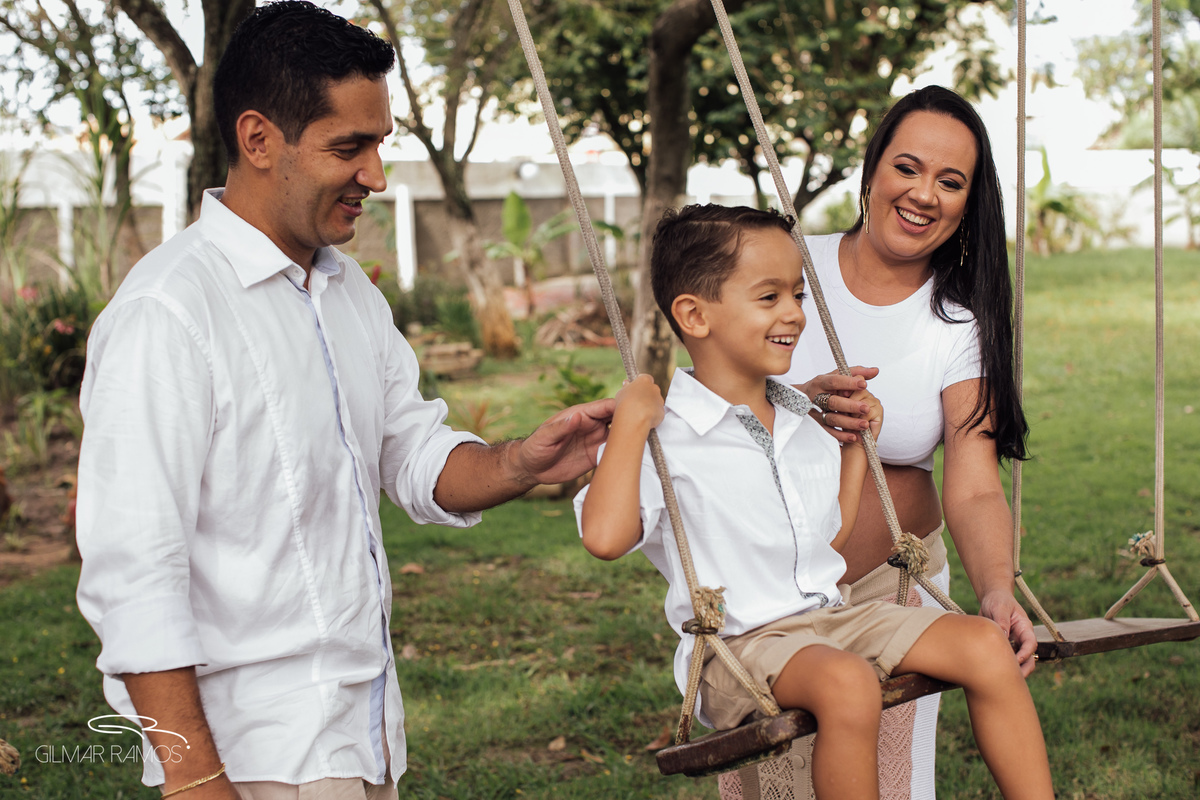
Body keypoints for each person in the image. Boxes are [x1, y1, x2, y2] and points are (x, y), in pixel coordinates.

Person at [74, 4, 613, 799]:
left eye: (379, 145)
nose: (376, 176)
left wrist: (519, 463)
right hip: (256, 757)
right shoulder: (168, 312)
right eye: (348, 147)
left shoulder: (347, 289)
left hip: (362, 736)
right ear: (259, 140)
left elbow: (411, 451)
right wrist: (195, 778)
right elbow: (135, 571)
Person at [574, 204, 1053, 800]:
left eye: (798, 294)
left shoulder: (799, 420)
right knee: (848, 683)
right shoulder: (663, 437)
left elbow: (827, 540)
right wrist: (630, 423)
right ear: (695, 315)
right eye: (769, 296)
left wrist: (857, 448)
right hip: (739, 648)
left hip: (831, 621)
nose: (794, 313)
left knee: (983, 645)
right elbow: (605, 538)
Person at [778, 84, 1035, 799]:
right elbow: (711, 400)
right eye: (908, 167)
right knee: (774, 785)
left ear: (968, 204)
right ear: (872, 171)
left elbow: (975, 486)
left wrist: (996, 589)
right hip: (764, 592)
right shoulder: (788, 267)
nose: (924, 194)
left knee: (891, 786)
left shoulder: (959, 322)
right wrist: (798, 402)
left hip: (894, 588)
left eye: (950, 182)